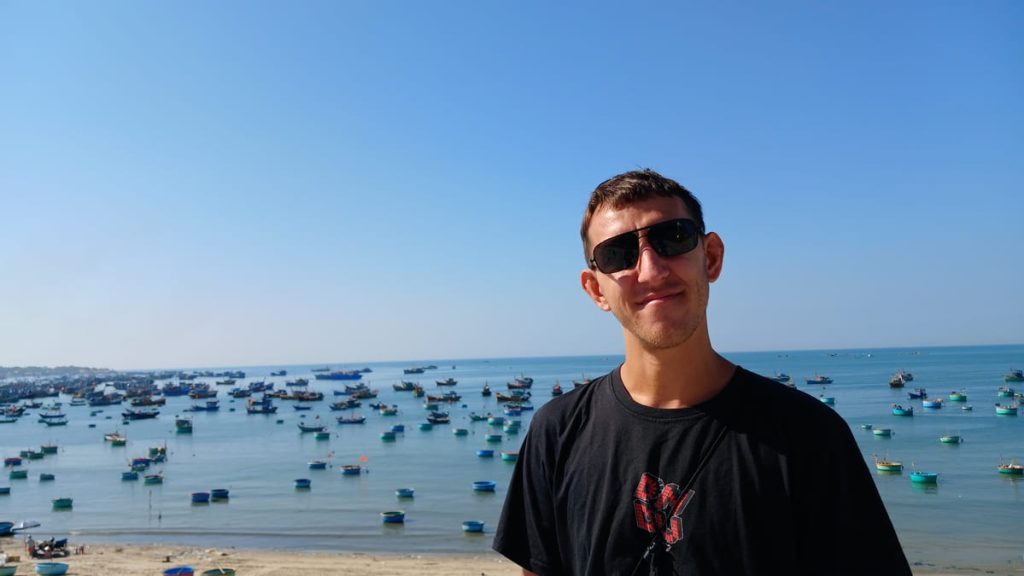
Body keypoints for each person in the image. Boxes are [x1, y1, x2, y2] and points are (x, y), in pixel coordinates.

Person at [493, 169, 911, 575]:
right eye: (618, 254)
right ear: (596, 288)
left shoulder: (809, 436)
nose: (652, 270)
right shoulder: (558, 432)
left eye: (673, 238)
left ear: (710, 257)